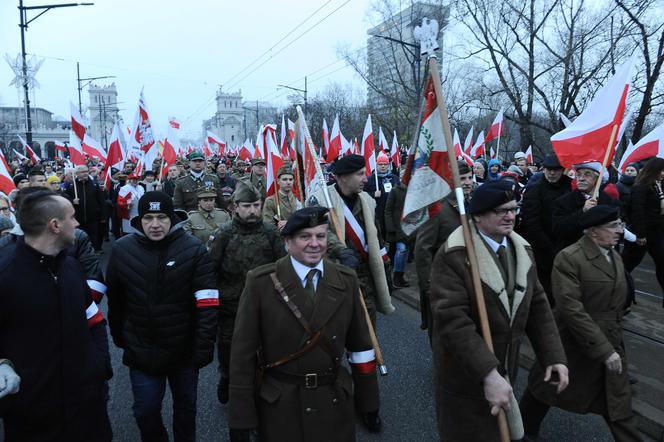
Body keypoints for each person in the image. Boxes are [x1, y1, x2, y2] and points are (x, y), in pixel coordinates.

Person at [429, 180, 568, 441]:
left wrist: (553, 355)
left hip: (505, 369)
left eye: (514, 209)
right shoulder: (454, 255)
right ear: (478, 216)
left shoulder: (522, 249)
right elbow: (452, 321)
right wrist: (487, 373)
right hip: (466, 376)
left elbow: (537, 304)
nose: (510, 216)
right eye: (501, 211)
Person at [227, 206, 381, 441]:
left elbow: (361, 348)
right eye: (305, 237)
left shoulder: (345, 280)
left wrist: (369, 402)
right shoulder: (261, 283)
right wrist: (241, 418)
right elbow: (242, 355)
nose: (315, 243)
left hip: (333, 400)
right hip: (281, 404)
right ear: (287, 242)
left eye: (320, 236)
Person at [520, 205, 642, 442]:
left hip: (610, 338)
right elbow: (571, 309)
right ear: (593, 231)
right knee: (546, 388)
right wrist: (604, 350)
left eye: (620, 224)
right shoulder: (570, 258)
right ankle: (524, 431)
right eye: (613, 226)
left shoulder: (614, 255)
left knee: (617, 401)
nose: (619, 230)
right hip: (571, 342)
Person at [0, 189, 112, 441]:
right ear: (55, 225)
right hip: (33, 414)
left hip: (87, 406)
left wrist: (99, 365)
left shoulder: (70, 266)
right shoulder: (4, 273)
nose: (77, 223)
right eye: (72, 217)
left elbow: (93, 320)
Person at [106, 191, 218, 442]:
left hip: (184, 351)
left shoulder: (194, 250)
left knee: (186, 410)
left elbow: (208, 303)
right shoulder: (121, 250)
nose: (155, 225)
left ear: (172, 218)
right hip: (142, 350)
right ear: (139, 220)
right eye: (148, 218)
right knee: (145, 411)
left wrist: (203, 346)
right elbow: (116, 301)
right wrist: (121, 337)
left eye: (161, 217)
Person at [209, 183, 285, 405]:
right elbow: (210, 270)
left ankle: (260, 391)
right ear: (235, 207)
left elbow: (282, 267)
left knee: (266, 350)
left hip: (265, 305)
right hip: (230, 308)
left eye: (256, 205)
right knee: (229, 350)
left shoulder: (271, 233)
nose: (252, 210)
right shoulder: (223, 235)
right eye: (247, 206)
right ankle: (226, 377)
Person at [311, 154, 395, 326]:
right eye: (360, 174)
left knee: (366, 334)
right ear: (343, 177)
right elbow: (317, 234)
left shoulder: (368, 201)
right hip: (333, 276)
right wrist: (341, 251)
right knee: (337, 332)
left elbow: (377, 240)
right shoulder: (320, 199)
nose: (366, 179)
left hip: (364, 278)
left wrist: (386, 274)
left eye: (365, 173)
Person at [415, 161, 474, 336]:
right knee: (441, 331)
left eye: (470, 177)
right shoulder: (436, 208)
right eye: (462, 178)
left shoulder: (473, 204)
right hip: (442, 281)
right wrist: (428, 285)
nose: (468, 182)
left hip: (468, 278)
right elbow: (423, 249)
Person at [519, 153, 572, 302]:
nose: (552, 173)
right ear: (543, 170)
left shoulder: (570, 186)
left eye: (556, 170)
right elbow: (531, 224)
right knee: (545, 289)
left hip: (565, 245)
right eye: (549, 169)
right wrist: (551, 249)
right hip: (543, 248)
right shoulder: (534, 189)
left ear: (563, 170)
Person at [552, 161, 620, 252]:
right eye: (579, 175)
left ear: (598, 178)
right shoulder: (563, 201)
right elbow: (559, 231)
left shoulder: (610, 202)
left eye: (587, 174)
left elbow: (617, 231)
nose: (581, 179)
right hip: (574, 255)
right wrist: (582, 212)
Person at [626, 157, 664, 298]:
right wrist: (640, 234)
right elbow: (637, 211)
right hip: (642, 234)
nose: (663, 173)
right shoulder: (640, 187)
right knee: (628, 264)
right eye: (662, 170)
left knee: (662, 262)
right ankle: (617, 290)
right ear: (654, 170)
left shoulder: (657, 186)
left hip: (656, 233)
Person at [65, 164, 105, 251]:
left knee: (93, 236)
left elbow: (101, 201)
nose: (85, 173)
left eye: (86, 171)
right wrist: (72, 201)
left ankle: (93, 251)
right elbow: (65, 200)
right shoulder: (71, 185)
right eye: (83, 172)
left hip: (93, 217)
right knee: (79, 237)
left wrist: (102, 216)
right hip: (77, 218)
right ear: (77, 173)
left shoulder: (94, 184)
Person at [383, 173, 411, 289]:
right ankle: (396, 276)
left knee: (406, 253)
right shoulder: (394, 191)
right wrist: (390, 227)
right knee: (401, 251)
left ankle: (401, 275)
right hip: (398, 227)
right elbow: (388, 210)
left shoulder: (413, 191)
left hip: (410, 227)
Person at [365, 151, 399, 239]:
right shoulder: (370, 179)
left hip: (392, 213)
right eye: (380, 164)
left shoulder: (394, 178)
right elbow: (362, 194)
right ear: (376, 165)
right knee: (380, 235)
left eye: (385, 164)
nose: (383, 166)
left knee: (393, 237)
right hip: (378, 213)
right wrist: (373, 194)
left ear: (388, 165)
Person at [262, 165, 303, 230]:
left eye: (291, 179)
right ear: (278, 181)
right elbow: (268, 225)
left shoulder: (299, 198)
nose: (288, 182)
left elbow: (306, 219)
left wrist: (289, 223)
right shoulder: (270, 201)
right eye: (284, 179)